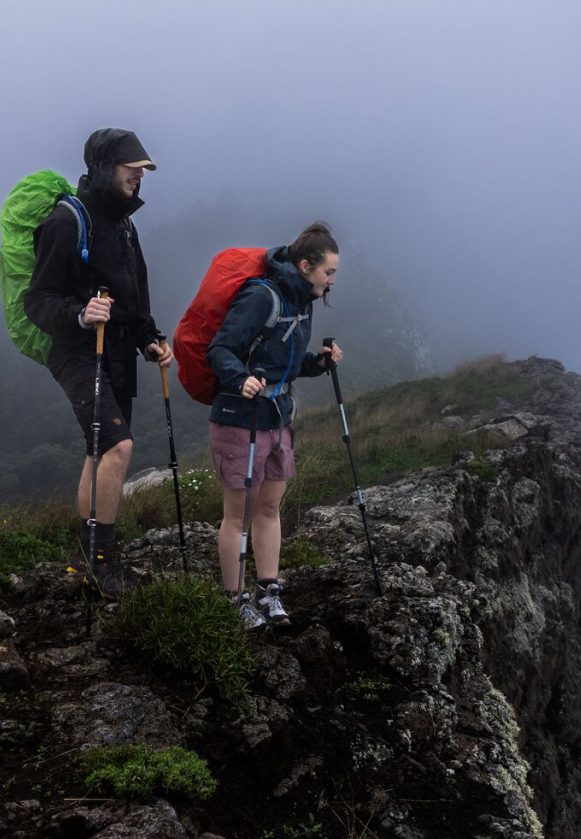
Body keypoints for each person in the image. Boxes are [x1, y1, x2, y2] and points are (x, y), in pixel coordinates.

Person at [23, 128, 173, 597]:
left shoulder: (124, 225)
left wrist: (151, 339)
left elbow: (135, 296)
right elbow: (38, 300)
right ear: (107, 167)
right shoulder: (67, 221)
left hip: (119, 351)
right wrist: (81, 315)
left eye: (143, 171)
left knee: (101, 450)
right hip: (76, 352)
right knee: (117, 446)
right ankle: (101, 559)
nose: (139, 178)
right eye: (133, 169)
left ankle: (91, 550)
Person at [206, 222, 343, 629]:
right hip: (239, 418)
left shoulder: (304, 303)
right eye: (328, 272)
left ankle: (269, 592)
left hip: (278, 417)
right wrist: (239, 378)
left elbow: (288, 363)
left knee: (268, 508)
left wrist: (319, 363)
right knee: (237, 514)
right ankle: (235, 600)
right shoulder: (261, 297)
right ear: (305, 265)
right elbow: (220, 349)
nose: (332, 280)